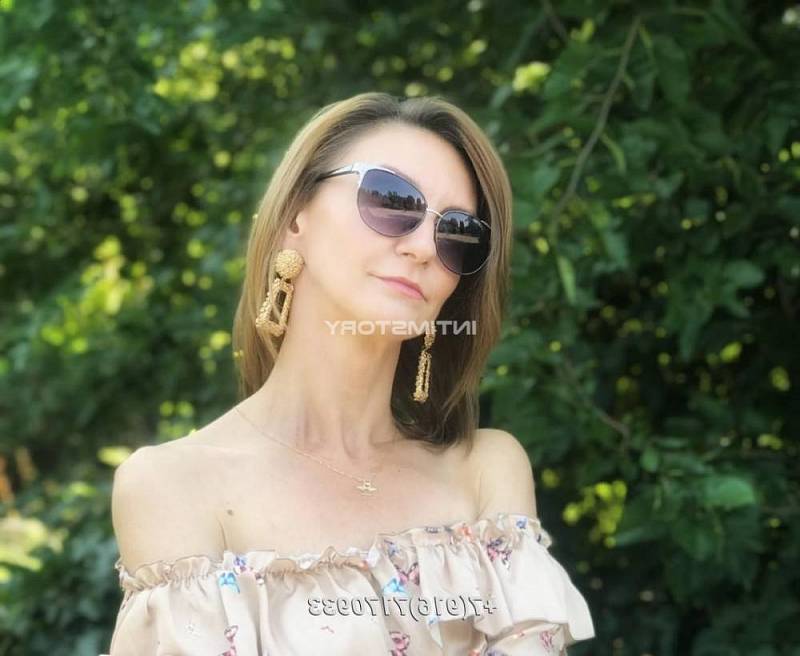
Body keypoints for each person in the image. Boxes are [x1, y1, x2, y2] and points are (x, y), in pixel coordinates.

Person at [104, 92, 595, 655]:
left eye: (458, 231)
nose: (423, 247)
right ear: (296, 216)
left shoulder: (485, 471)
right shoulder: (174, 487)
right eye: (391, 199)